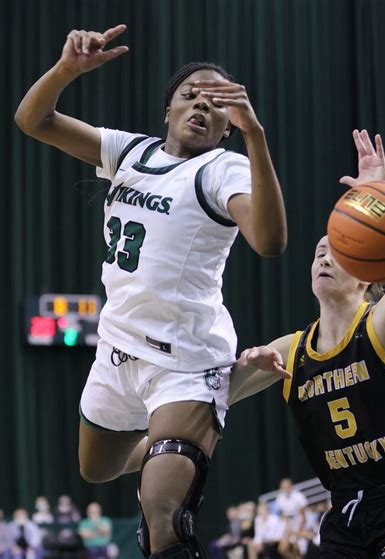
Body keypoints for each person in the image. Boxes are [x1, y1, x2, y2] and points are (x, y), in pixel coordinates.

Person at [15, 24, 287, 559]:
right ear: (168, 110)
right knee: (96, 470)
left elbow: (270, 242)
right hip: (117, 348)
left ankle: (200, 404)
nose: (201, 106)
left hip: (184, 360)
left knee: (162, 518)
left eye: (217, 104)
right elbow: (33, 120)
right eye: (190, 96)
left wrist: (256, 137)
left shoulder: (222, 168)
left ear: (229, 125)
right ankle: (212, 402)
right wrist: (66, 70)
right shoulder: (129, 153)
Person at [229, 130, 385, 557]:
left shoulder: (384, 321)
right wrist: (244, 362)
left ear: (366, 269)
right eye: (319, 251)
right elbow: (214, 396)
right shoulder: (293, 350)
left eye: (336, 250)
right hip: (344, 521)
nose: (322, 256)